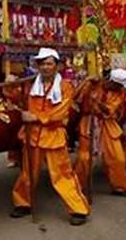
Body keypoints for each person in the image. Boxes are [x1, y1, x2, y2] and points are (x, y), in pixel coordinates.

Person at [10, 48, 90, 225]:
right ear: (38, 66)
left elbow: (60, 112)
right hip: (32, 136)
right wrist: (10, 85)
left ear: (56, 66)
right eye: (43, 64)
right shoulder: (30, 84)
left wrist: (36, 117)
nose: (46, 67)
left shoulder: (65, 86)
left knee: (62, 175)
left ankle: (78, 209)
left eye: (49, 64)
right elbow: (15, 98)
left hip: (53, 136)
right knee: (28, 172)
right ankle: (23, 203)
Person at [73, 70, 126, 196]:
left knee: (117, 157)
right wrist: (88, 83)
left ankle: (121, 187)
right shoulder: (92, 84)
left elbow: (110, 110)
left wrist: (98, 102)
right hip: (88, 123)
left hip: (107, 124)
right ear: (112, 82)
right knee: (84, 158)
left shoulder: (119, 93)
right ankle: (77, 187)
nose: (121, 88)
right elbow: (75, 98)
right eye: (119, 85)